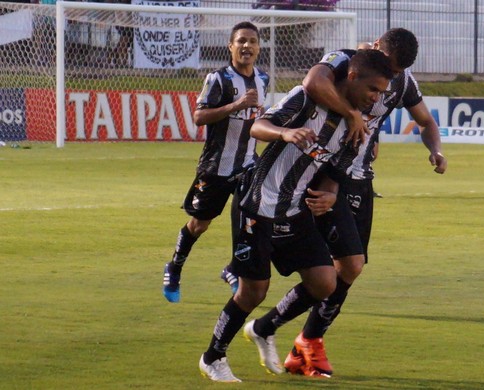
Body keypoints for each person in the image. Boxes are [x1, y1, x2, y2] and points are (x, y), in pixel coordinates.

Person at [238, 28, 447, 378]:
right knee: (344, 265)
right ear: (377, 47)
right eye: (391, 70)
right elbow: (313, 82)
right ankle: (295, 333)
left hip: (359, 178)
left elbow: (425, 121)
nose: (392, 78)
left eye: (397, 73)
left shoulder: (403, 81)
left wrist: (436, 149)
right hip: (325, 172)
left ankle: (284, 332)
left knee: (351, 267)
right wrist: (350, 114)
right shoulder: (344, 60)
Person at [197, 49, 394, 383]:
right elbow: (258, 127)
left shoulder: (358, 123)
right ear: (352, 77)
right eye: (373, 89)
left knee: (324, 282)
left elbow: (337, 169)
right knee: (252, 292)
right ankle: (213, 357)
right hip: (257, 203)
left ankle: (263, 329)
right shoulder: (306, 100)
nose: (376, 99)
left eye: (381, 94)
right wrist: (285, 133)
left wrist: (330, 194)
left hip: (293, 208)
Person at [161, 21, 268, 303]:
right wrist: (236, 105)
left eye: (252, 41)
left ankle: (233, 269)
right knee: (200, 224)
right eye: (241, 41)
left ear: (259, 47)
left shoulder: (263, 79)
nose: (247, 46)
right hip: (217, 165)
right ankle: (175, 266)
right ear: (230, 46)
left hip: (248, 164)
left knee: (254, 219)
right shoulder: (218, 79)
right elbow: (199, 117)